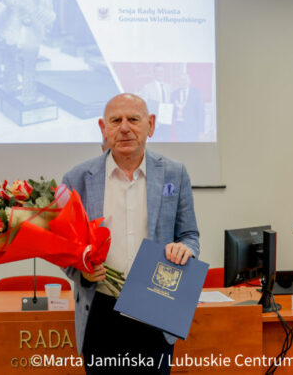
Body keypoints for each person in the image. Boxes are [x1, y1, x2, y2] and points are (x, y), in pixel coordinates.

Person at [62, 93, 200, 374]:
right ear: (103, 128)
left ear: (151, 125)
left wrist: (186, 249)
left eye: (133, 119)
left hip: (156, 307)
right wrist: (83, 273)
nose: (124, 128)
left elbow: (189, 235)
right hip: (100, 311)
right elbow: (65, 247)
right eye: (116, 121)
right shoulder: (77, 178)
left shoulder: (174, 173)